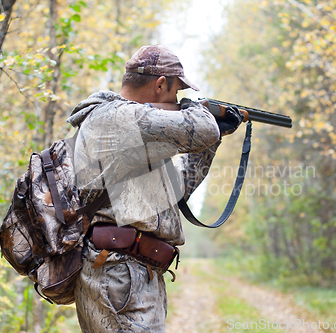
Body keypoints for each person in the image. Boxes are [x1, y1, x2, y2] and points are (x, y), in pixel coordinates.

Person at [66, 45, 243, 333]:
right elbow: (202, 127)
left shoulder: (138, 132)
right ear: (161, 84)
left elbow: (177, 193)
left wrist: (213, 139)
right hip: (118, 274)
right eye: (177, 94)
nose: (178, 100)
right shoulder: (116, 116)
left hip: (133, 273)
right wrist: (201, 112)